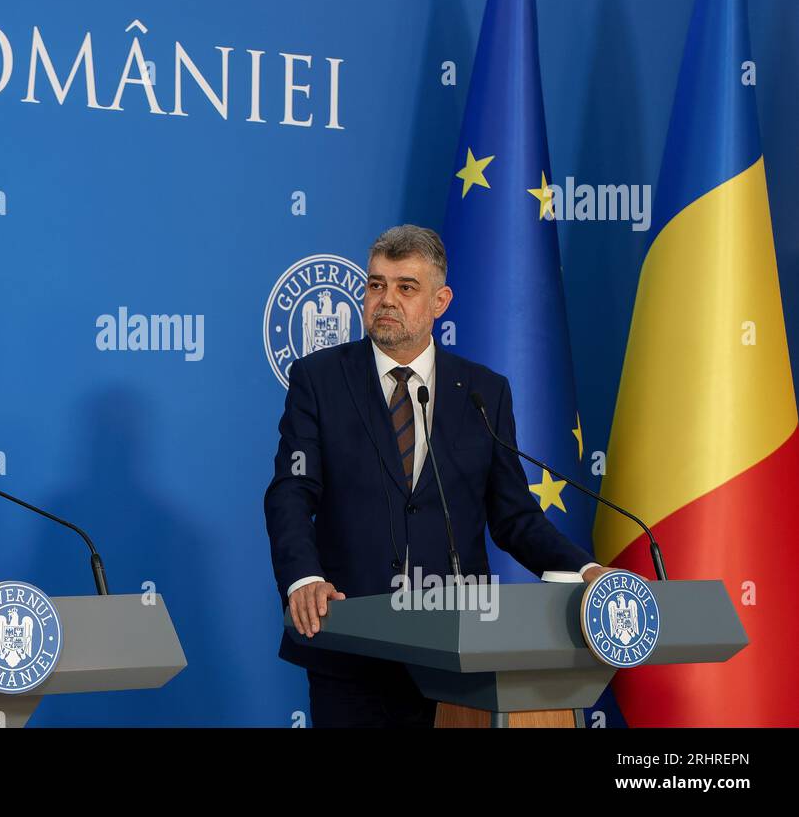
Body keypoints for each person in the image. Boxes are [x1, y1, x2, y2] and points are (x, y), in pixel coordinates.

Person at [263, 224, 619, 728]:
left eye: (406, 287)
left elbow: (514, 517)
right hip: (351, 644)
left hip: (461, 649)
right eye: (376, 284)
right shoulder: (319, 379)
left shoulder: (482, 392)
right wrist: (305, 577)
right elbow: (291, 492)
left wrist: (585, 572)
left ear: (440, 300)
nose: (386, 299)